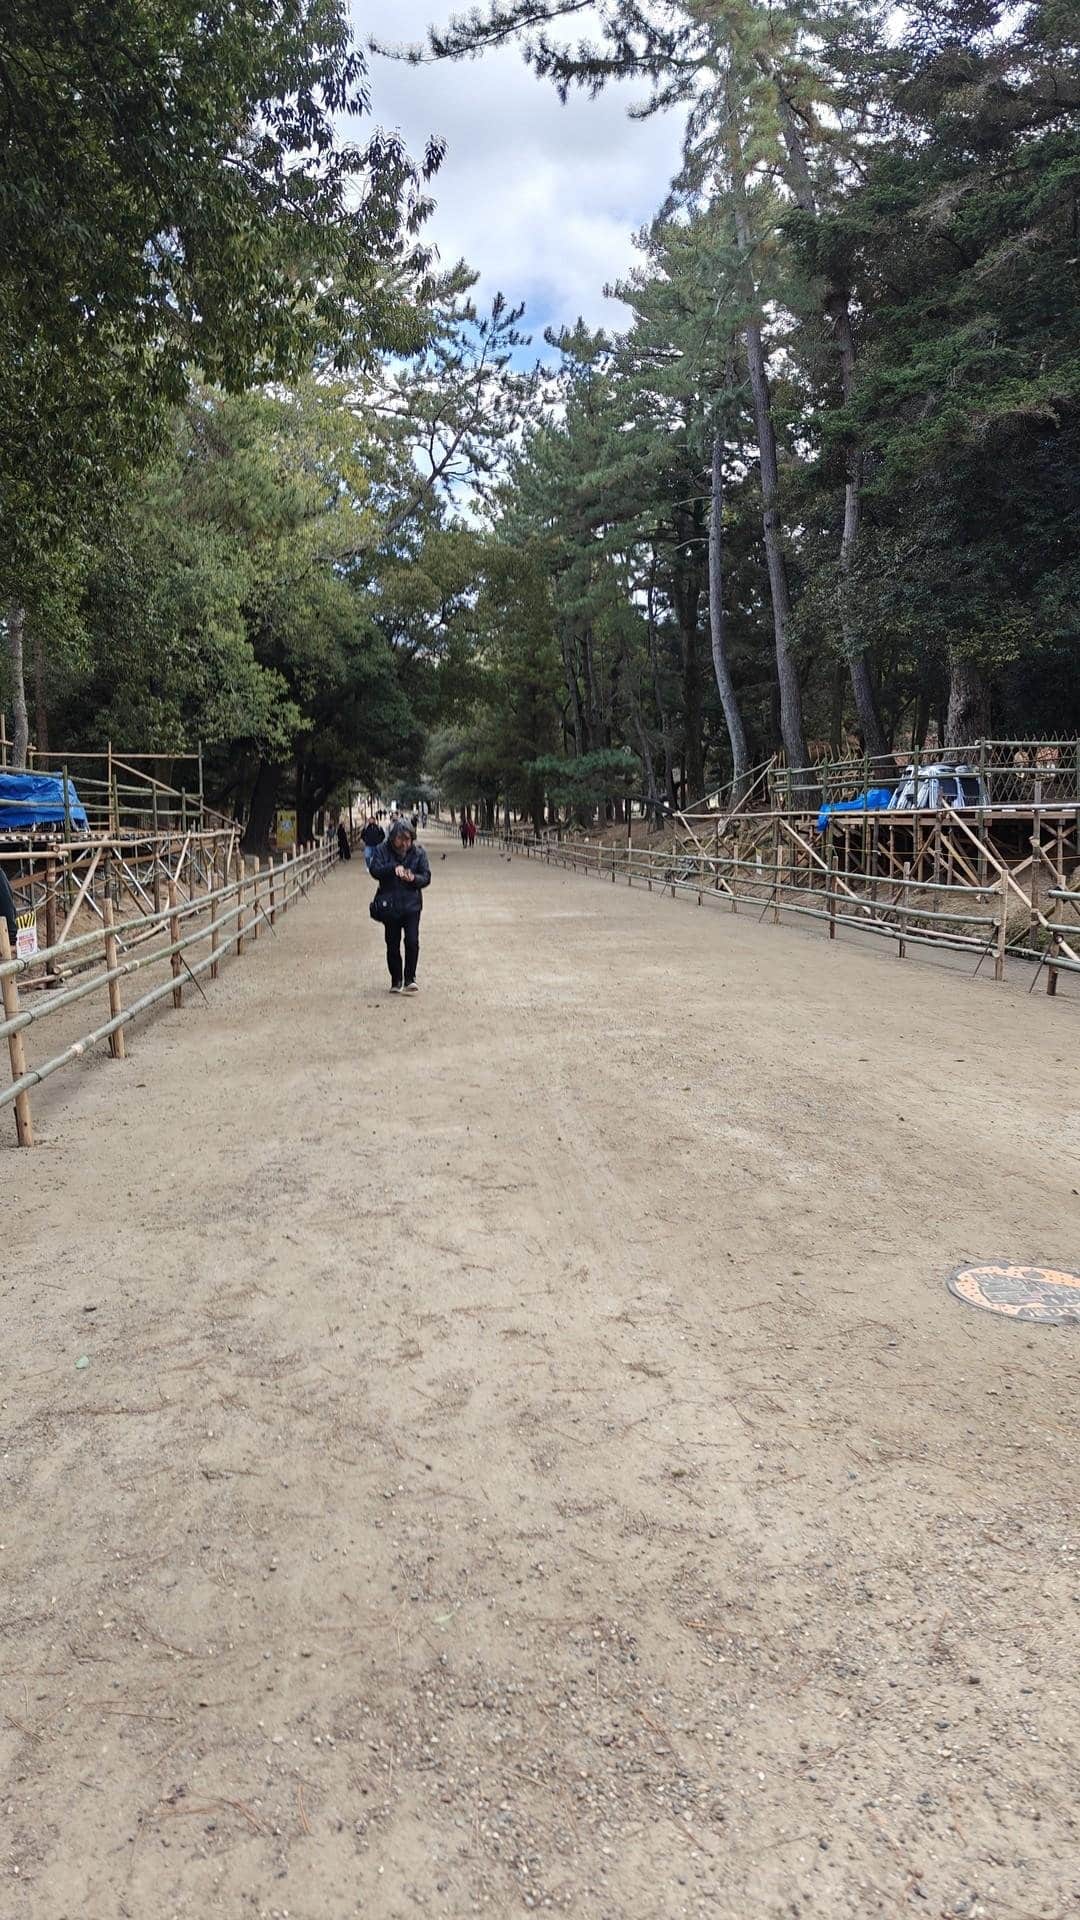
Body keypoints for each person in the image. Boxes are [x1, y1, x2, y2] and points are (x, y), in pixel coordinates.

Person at [369, 817, 431, 993]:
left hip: (412, 905)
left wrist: (413, 878)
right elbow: (374, 870)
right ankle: (396, 979)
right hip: (390, 905)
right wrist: (392, 868)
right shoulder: (382, 850)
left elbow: (426, 877)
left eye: (408, 839)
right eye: (400, 839)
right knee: (392, 943)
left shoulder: (419, 853)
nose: (404, 843)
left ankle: (410, 978)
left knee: (412, 941)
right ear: (393, 837)